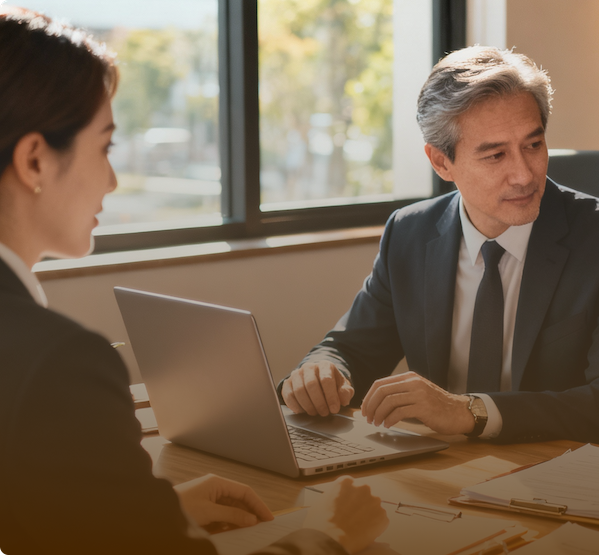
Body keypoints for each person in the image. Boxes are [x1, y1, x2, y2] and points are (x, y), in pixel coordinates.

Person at [0, 9, 387, 554]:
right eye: (106, 146)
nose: (112, 181)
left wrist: (150, 510)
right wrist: (334, 535)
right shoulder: (59, 365)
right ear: (35, 160)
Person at [280, 46, 599, 449]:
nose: (523, 174)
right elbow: (351, 348)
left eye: (533, 145)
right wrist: (322, 369)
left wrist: (470, 411)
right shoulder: (409, 233)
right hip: (441, 473)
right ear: (441, 163)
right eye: (495, 155)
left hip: (555, 476)